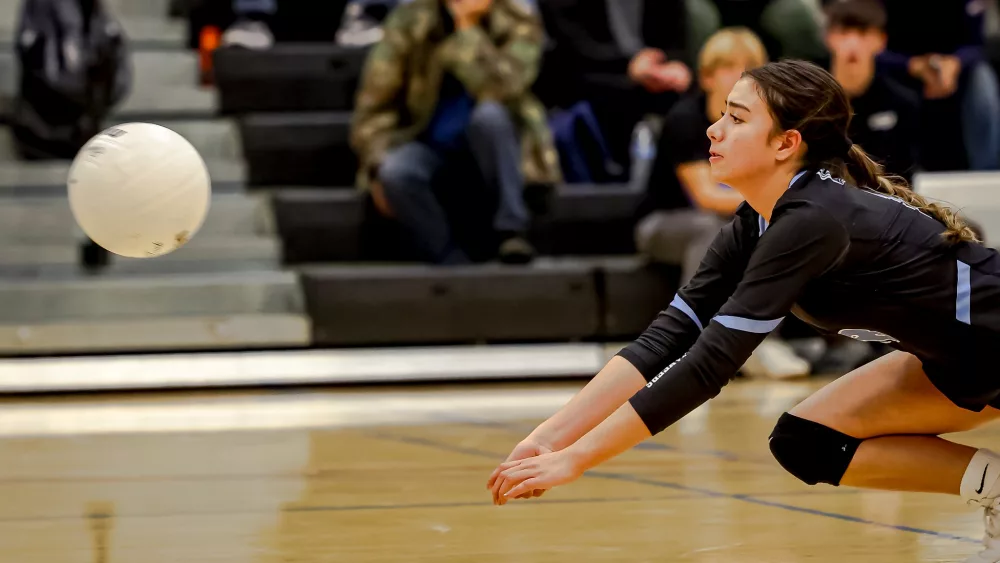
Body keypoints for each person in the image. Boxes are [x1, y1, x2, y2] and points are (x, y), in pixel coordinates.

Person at [486, 59, 1000, 562]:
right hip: (957, 364)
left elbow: (709, 366)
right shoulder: (759, 219)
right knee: (807, 442)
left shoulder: (815, 219)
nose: (714, 130)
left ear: (786, 144)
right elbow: (667, 338)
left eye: (736, 118)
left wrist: (577, 460)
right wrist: (546, 439)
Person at [634, 27, 809, 380]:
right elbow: (707, 196)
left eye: (751, 68)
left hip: (730, 217)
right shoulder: (685, 119)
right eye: (730, 67)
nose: (741, 76)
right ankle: (692, 347)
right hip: (663, 223)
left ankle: (762, 342)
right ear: (707, 77)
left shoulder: (765, 125)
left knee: (775, 228)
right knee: (714, 228)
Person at [350, 0, 561, 265]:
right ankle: (448, 259)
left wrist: (467, 29)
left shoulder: (517, 21)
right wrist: (376, 164)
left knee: (490, 117)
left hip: (503, 152)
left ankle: (511, 231)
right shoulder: (409, 21)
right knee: (396, 171)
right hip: (430, 145)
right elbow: (374, 107)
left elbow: (502, 88)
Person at [824, 0, 919, 181]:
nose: (853, 43)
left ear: (881, 40)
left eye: (863, 33)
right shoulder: (810, 102)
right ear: (828, 38)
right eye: (844, 33)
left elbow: (905, 175)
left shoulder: (902, 103)